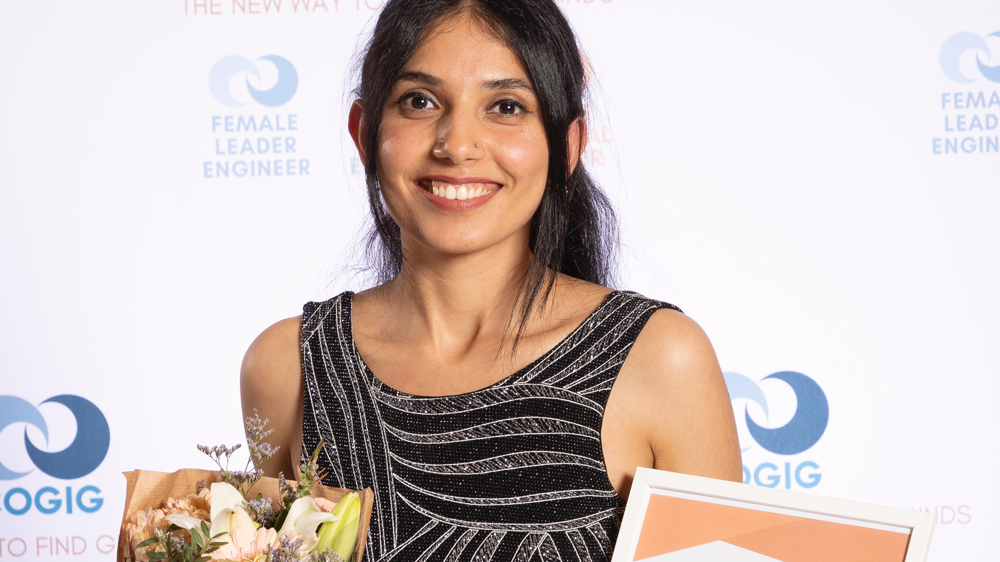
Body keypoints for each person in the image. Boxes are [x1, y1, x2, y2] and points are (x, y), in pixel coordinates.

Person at [241, 0, 741, 559]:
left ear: (568, 146)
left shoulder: (659, 357)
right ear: (364, 134)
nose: (457, 145)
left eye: (505, 106)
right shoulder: (289, 364)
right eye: (419, 101)